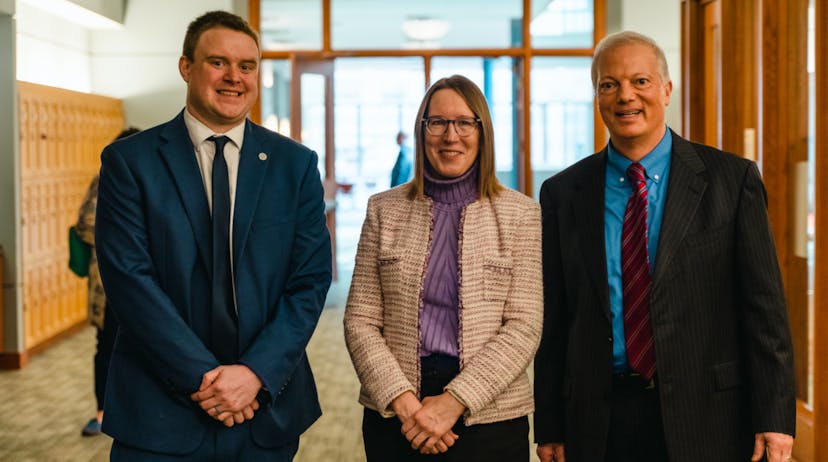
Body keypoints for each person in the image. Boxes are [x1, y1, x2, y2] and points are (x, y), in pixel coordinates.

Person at [534, 31, 795, 462]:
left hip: (708, 415)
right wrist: (550, 426)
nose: (625, 97)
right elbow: (555, 319)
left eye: (641, 81)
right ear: (596, 96)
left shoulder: (731, 180)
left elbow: (764, 309)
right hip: (598, 419)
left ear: (667, 89)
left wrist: (775, 416)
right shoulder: (563, 193)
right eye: (609, 84)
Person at [95, 10, 331, 460]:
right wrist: (206, 378)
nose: (234, 78)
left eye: (247, 66)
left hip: (263, 409)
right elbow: (130, 282)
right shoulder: (130, 163)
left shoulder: (294, 165)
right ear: (186, 67)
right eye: (218, 62)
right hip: (159, 411)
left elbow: (310, 281)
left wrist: (254, 375)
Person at [344, 74, 543, 461]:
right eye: (438, 122)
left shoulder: (521, 214)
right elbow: (360, 320)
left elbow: (524, 325)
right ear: (422, 131)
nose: (451, 136)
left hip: (491, 413)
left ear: (482, 132)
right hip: (397, 410)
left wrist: (453, 402)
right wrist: (407, 406)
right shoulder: (384, 210)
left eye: (464, 123)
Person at [75, 126, 140, 437]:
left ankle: (140, 411)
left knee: (148, 345)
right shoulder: (104, 179)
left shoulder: (151, 180)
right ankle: (103, 413)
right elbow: (85, 224)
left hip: (146, 284)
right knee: (107, 347)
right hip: (109, 284)